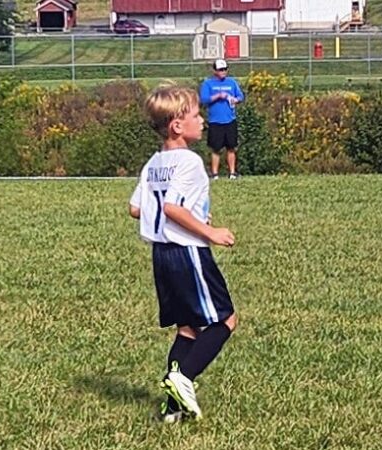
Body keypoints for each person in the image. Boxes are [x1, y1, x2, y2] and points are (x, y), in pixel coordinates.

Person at [129, 84, 238, 422]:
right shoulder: (189, 162)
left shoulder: (155, 162)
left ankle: (172, 410)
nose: (202, 120)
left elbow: (136, 208)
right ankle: (183, 377)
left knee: (187, 328)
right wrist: (210, 232)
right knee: (225, 320)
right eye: (195, 115)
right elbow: (174, 208)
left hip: (162, 255)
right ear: (177, 125)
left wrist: (187, 213)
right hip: (187, 251)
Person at [200, 58, 245, 180]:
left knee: (231, 147)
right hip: (215, 121)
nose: (223, 72)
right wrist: (218, 96)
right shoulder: (208, 84)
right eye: (220, 70)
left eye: (225, 69)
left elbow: (240, 96)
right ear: (215, 71)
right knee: (216, 149)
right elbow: (204, 100)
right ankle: (215, 174)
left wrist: (236, 100)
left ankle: (232, 173)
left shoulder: (231, 82)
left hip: (230, 120)